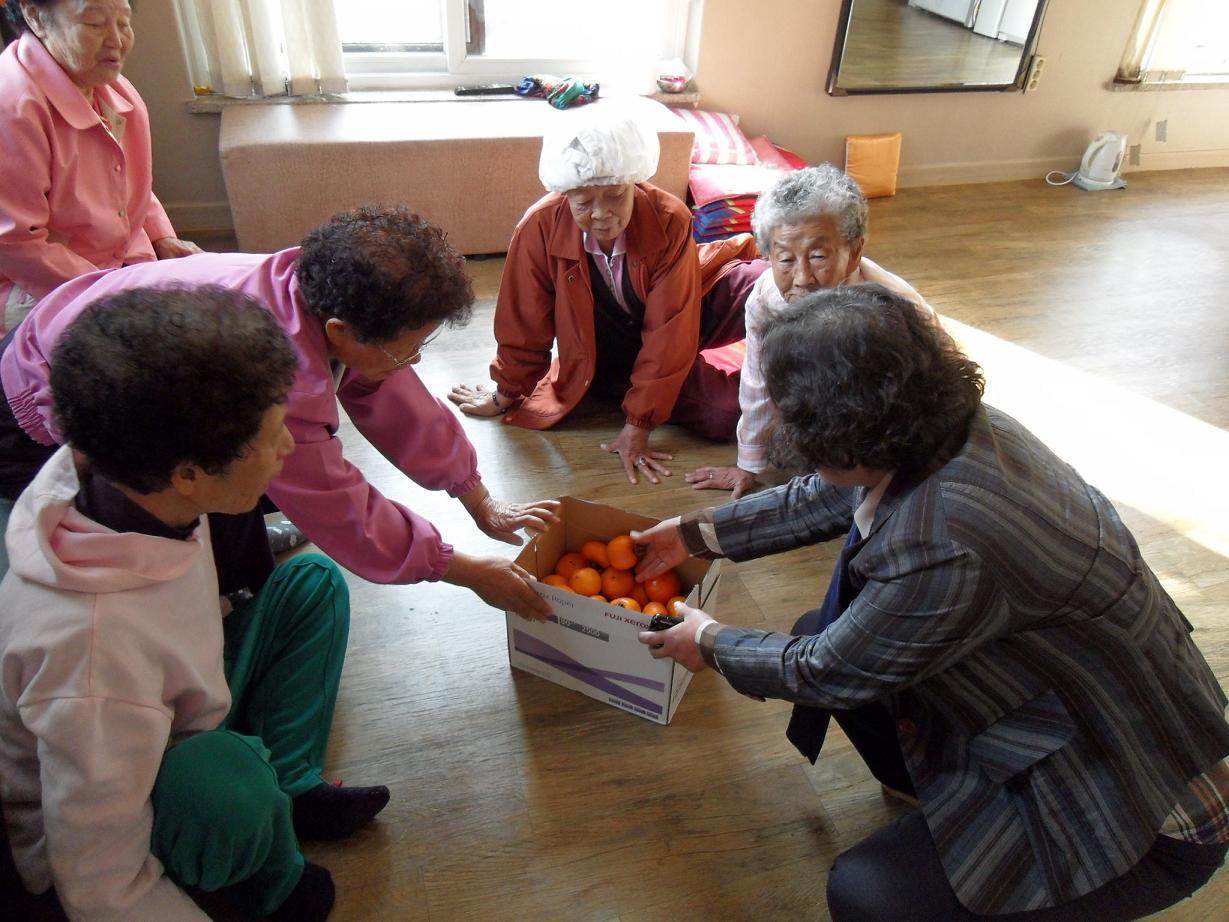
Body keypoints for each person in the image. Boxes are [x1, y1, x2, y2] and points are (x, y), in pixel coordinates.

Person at [633, 286, 1229, 920]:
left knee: (869, 894)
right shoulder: (959, 427)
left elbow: (825, 670)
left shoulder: (945, 544)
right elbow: (830, 494)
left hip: (1138, 804)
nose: (778, 419)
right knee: (822, 626)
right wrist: (694, 535)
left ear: (844, 430)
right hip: (1060, 710)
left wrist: (707, 641)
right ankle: (935, 801)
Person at [0, 287, 388, 921]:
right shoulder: (91, 655)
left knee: (311, 586)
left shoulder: (139, 486)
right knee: (222, 778)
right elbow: (99, 883)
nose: (288, 448)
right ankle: (264, 883)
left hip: (174, 713)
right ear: (189, 473)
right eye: (270, 437)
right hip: (126, 800)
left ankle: (286, 786)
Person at [0, 204, 558, 619]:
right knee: (165, 519)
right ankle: (220, 611)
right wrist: (462, 569)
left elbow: (398, 399)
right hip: (47, 391)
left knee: (244, 482)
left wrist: (476, 495)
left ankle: (236, 569)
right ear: (342, 332)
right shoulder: (281, 380)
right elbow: (341, 506)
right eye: (406, 349)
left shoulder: (317, 293)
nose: (410, 361)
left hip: (102, 334)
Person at [448, 105, 760, 485]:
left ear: (635, 184)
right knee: (724, 413)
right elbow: (524, 320)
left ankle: (790, 389)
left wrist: (639, 426)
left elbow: (669, 326)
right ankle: (764, 406)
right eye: (584, 203)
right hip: (607, 345)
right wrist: (507, 391)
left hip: (679, 312)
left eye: (615, 195)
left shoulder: (669, 216)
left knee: (766, 283)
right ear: (565, 197)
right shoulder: (539, 227)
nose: (602, 214)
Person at [685, 164, 931, 499]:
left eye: (818, 256)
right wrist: (748, 465)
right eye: (785, 260)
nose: (802, 278)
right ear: (768, 255)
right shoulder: (766, 298)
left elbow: (923, 396)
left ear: (855, 251)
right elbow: (758, 379)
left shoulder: (890, 308)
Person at [0, 0, 201, 332]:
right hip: (40, 286)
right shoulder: (12, 108)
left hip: (117, 268)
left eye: (124, 23)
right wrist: (114, 290)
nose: (116, 41)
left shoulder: (112, 88)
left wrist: (160, 235)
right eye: (94, 24)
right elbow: (15, 244)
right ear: (35, 16)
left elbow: (125, 182)